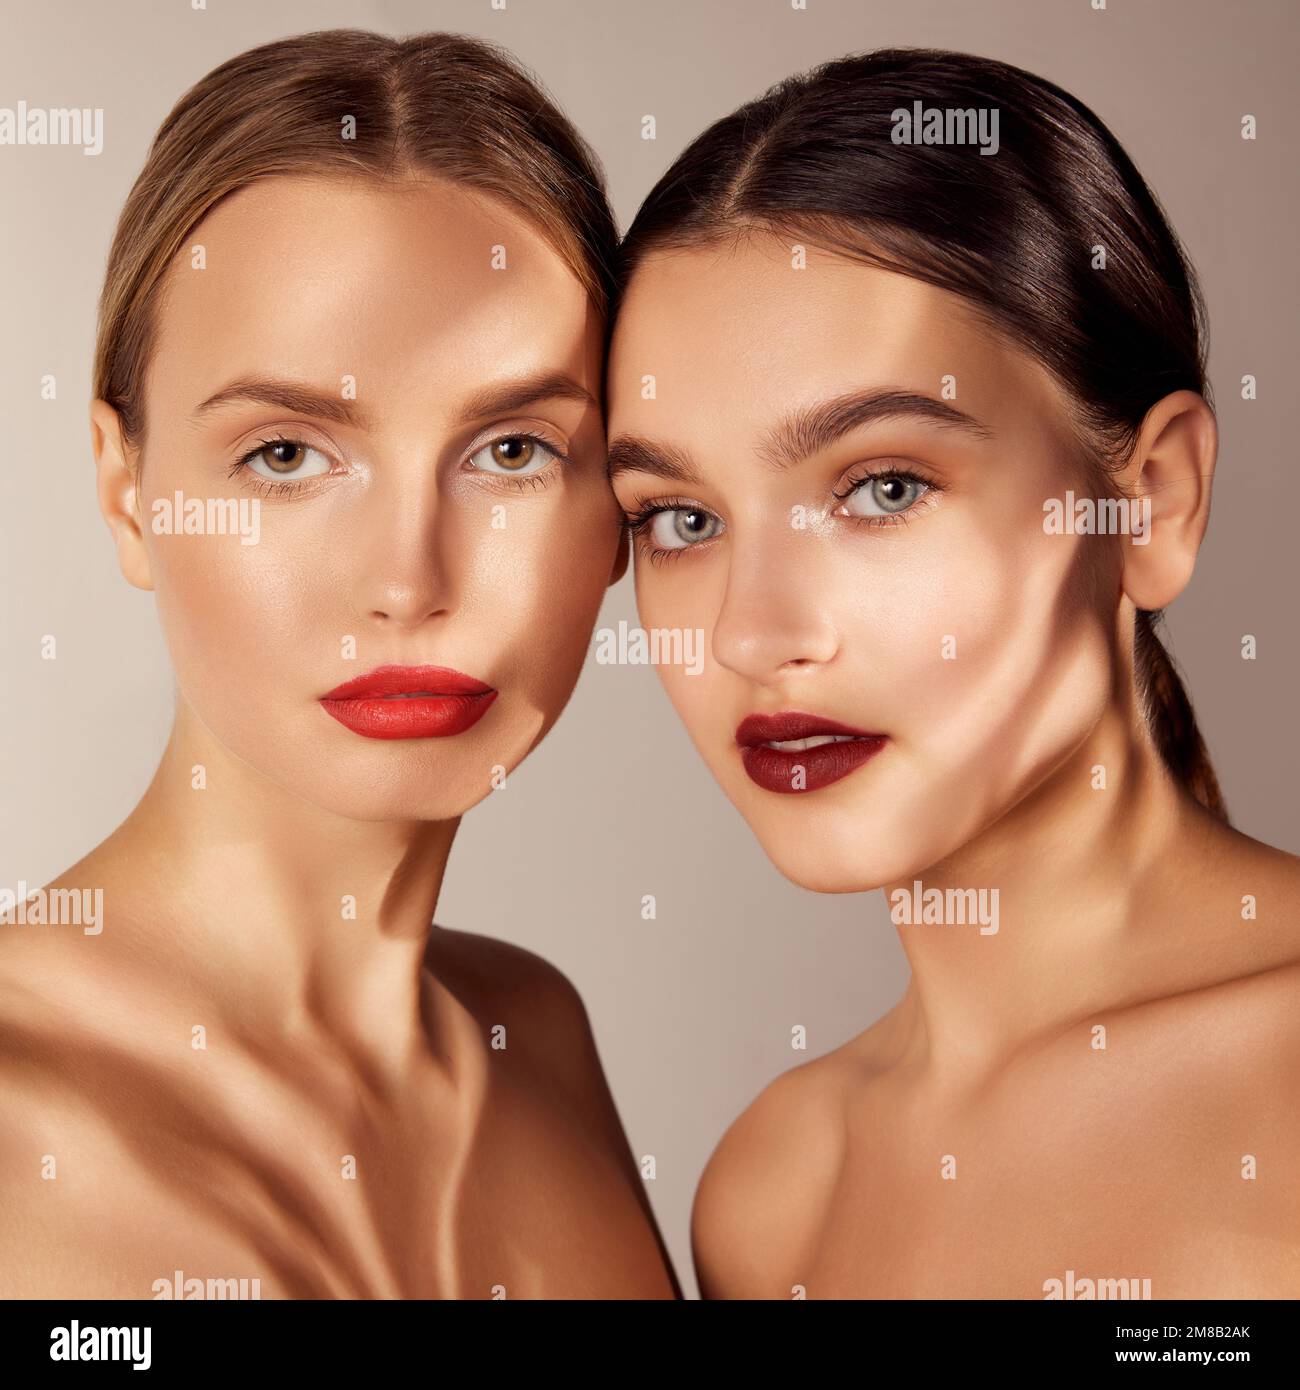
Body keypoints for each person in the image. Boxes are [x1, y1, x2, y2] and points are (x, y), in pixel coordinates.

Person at [606, 47, 1300, 1299]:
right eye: (680, 520)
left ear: (1148, 503)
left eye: (881, 486)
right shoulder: (774, 1195)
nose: (752, 636)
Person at [0, 29, 676, 1300]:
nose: (407, 580)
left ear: (619, 513)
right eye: (287, 455)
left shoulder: (537, 1034)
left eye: (513, 451)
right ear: (129, 493)